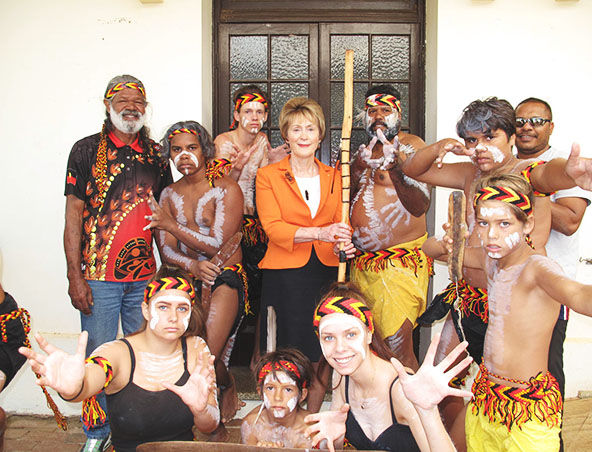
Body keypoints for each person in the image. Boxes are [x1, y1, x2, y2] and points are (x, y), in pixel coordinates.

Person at [424, 174, 592, 452]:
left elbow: (578, 295)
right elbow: (427, 248)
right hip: (486, 395)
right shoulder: (492, 261)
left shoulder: (538, 268)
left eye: (504, 224)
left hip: (526, 411)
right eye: (483, 223)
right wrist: (449, 243)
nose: (491, 235)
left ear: (528, 224)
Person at [63, 74, 172, 451]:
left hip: (145, 278)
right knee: (97, 355)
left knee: (149, 351)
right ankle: (97, 434)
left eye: (138, 101)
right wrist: (74, 276)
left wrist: (167, 270)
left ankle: (142, 426)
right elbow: (73, 216)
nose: (131, 107)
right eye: (123, 100)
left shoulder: (157, 154)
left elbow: (161, 214)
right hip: (98, 278)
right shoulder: (85, 151)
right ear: (107, 105)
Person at [19, 265, 219, 452]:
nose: (174, 317)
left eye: (182, 308)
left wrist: (201, 410)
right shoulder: (117, 353)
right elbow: (90, 378)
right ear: (146, 310)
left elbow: (210, 425)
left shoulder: (196, 349)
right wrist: (74, 387)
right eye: (163, 307)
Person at [145, 120, 245, 441]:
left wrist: (171, 225)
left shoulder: (227, 188)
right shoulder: (168, 193)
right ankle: (225, 384)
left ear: (205, 149)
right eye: (177, 150)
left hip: (226, 277)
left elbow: (218, 243)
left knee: (204, 357)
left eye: (191, 148)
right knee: (192, 358)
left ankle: (213, 430)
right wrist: (192, 265)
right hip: (187, 279)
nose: (184, 155)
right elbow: (166, 251)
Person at [255, 97, 355, 412]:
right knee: (285, 351)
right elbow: (273, 227)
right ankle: (285, 416)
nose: (303, 135)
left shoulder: (337, 176)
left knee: (323, 347)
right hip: (285, 274)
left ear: (320, 135)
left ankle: (311, 418)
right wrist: (320, 232)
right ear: (286, 134)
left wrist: (343, 242)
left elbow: (343, 223)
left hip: (325, 272)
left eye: (310, 128)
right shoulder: (268, 176)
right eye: (296, 129)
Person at [303, 284, 473, 452]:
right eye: (329, 338)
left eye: (351, 334)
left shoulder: (400, 389)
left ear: (369, 334)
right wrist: (335, 440)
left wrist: (429, 412)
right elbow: (335, 443)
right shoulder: (342, 377)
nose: (340, 348)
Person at [515, 97, 591, 452]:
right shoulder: (500, 161)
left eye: (536, 120)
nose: (527, 126)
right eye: (520, 120)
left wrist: (530, 189)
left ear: (551, 126)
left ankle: (551, 443)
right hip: (498, 291)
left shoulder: (560, 166)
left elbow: (572, 221)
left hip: (548, 293)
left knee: (545, 372)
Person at [350, 85, 432, 370]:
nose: (378, 117)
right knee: (371, 348)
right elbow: (342, 199)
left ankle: (417, 413)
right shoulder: (359, 151)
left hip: (399, 264)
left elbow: (420, 205)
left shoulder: (411, 147)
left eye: (385, 110)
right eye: (372, 111)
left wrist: (396, 168)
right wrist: (358, 168)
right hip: (362, 267)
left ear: (399, 113)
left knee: (397, 348)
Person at [214, 85, 290, 369]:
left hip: (255, 227)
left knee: (260, 298)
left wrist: (270, 163)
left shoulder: (262, 142)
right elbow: (216, 192)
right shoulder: (224, 142)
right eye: (248, 110)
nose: (254, 116)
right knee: (229, 295)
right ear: (236, 113)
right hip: (227, 230)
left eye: (260, 111)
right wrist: (237, 167)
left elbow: (263, 184)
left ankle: (257, 362)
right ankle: (219, 365)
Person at [241, 348, 314, 448]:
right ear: (260, 393)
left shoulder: (309, 430)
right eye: (270, 388)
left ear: (302, 395)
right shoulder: (251, 424)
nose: (278, 397)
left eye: (288, 389)